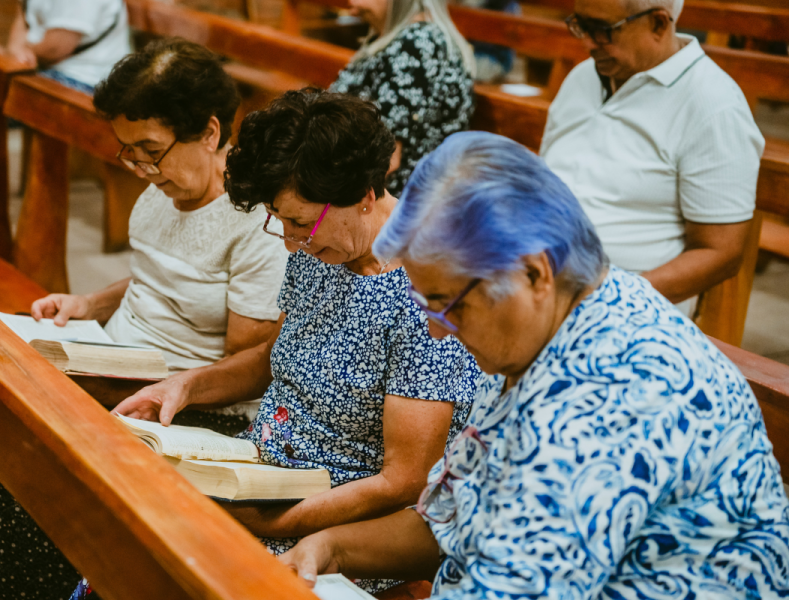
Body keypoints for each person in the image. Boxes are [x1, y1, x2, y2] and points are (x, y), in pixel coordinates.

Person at [279, 131, 789, 598]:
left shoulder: (616, 393)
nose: (435, 329)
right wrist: (330, 547)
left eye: (447, 303)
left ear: (533, 272)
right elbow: (451, 518)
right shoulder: (542, 333)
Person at [0, 38, 288, 600]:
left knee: (39, 480)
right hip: (116, 367)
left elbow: (248, 360)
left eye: (150, 149)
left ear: (209, 132)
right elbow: (161, 277)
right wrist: (89, 305)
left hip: (187, 408)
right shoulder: (164, 188)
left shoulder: (254, 224)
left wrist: (148, 387)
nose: (142, 168)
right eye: (128, 152)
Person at [76, 89, 480, 598]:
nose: (289, 241)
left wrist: (273, 522)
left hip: (339, 515)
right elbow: (274, 358)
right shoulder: (321, 247)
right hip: (260, 473)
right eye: (278, 219)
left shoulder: (427, 290)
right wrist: (184, 387)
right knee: (124, 540)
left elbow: (403, 480)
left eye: (298, 221)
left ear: (364, 194)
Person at [540, 0, 765, 316]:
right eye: (581, 25)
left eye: (603, 31)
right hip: (538, 283)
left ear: (659, 23)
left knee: (483, 352)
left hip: (624, 309)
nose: (587, 43)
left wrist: (610, 298)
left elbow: (720, 253)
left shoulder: (713, 105)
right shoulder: (583, 77)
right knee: (454, 334)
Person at [0, 0, 131, 199]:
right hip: (49, 71)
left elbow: (58, 47)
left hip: (89, 83)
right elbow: (23, 16)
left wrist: (23, 51)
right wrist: (15, 53)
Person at [330, 0, 475, 196]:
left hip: (400, 199)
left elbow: (386, 161)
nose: (352, 3)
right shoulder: (398, 36)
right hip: (365, 186)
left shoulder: (418, 43)